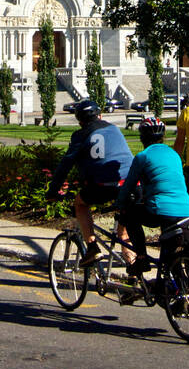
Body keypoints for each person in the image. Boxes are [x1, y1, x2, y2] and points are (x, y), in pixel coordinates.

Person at [46, 100, 134, 264]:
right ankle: (134, 273)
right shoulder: (114, 129)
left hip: (104, 186)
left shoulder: (80, 135)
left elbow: (65, 165)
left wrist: (52, 191)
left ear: (79, 121)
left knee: (80, 204)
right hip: (131, 184)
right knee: (124, 233)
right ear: (100, 115)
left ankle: (92, 247)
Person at [117, 115, 189, 274]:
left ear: (142, 137)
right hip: (186, 210)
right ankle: (169, 284)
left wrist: (119, 204)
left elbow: (128, 187)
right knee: (169, 253)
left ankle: (141, 259)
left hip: (160, 209)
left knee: (130, 216)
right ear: (162, 137)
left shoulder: (143, 157)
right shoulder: (174, 155)